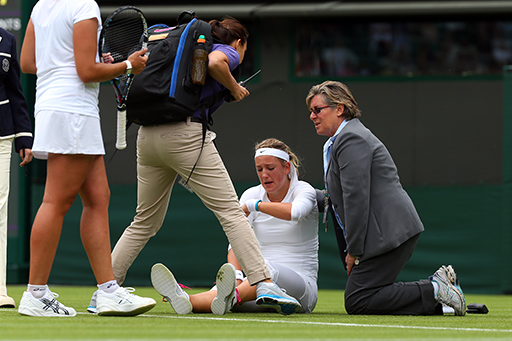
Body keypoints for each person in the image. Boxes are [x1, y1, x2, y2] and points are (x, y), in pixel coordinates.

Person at [100, 17, 300, 314]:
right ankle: (264, 282)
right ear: (240, 42)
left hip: (147, 136)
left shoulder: (178, 49)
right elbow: (217, 63)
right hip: (184, 134)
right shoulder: (227, 50)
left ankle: (106, 289)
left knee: (144, 221)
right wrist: (233, 87)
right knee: (232, 212)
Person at [17, 0, 156, 317]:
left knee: (98, 198)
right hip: (73, 111)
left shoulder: (41, 6)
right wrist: (127, 65)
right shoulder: (84, 6)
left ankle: (108, 290)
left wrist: (84, 61)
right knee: (56, 201)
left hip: (57, 107)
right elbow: (85, 72)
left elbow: (28, 61)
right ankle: (35, 293)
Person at [306, 80, 466, 316]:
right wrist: (293, 197)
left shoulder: (351, 138)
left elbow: (356, 197)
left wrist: (354, 250)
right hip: (387, 233)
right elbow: (336, 197)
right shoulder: (344, 138)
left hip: (389, 233)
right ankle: (444, 304)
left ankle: (436, 288)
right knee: (363, 297)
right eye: (311, 111)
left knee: (358, 300)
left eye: (317, 109)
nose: (312, 116)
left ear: (339, 108)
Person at [150, 138, 319, 315]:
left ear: (287, 167)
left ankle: (229, 295)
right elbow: (237, 239)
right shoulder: (251, 193)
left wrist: (255, 205)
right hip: (260, 290)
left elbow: (295, 212)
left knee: (264, 270)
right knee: (236, 298)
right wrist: (237, 276)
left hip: (302, 292)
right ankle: (185, 299)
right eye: (259, 169)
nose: (264, 175)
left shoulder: (303, 190)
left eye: (270, 168)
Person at [0, 27, 34, 308]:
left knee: (0, 210)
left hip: (3, 134)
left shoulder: (7, 39)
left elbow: (15, 89)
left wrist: (24, 135)